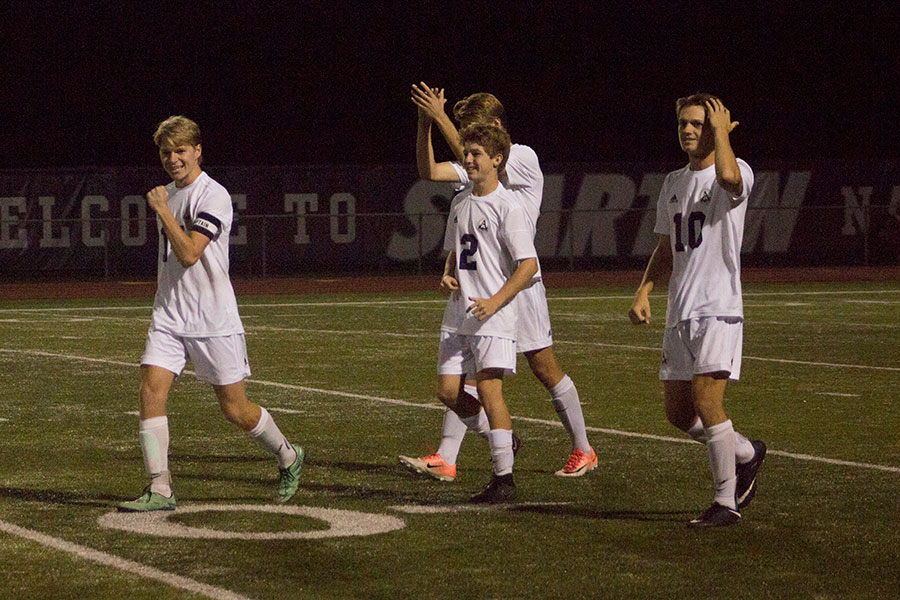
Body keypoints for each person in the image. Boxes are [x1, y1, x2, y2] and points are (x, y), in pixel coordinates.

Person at [399, 84, 596, 480]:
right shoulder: (475, 164)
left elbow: (473, 157)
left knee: (543, 367)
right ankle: (448, 456)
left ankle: (583, 448)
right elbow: (430, 171)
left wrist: (439, 118)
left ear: (494, 128)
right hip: (480, 282)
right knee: (467, 372)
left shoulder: (521, 156)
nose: (469, 145)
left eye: (474, 131)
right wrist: (426, 126)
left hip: (520, 282)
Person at [118, 116, 304, 512]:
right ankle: (160, 488)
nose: (173, 159)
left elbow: (189, 254)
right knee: (150, 390)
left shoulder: (213, 195)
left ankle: (288, 454)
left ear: (198, 150)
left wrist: (163, 210)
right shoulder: (167, 194)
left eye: (180, 150)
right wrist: (164, 206)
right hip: (169, 315)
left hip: (211, 318)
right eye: (166, 152)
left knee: (235, 409)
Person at [628, 94, 766, 528]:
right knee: (678, 413)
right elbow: (666, 246)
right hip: (680, 310)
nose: (688, 130)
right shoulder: (672, 182)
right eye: (683, 123)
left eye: (698, 124)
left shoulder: (735, 169)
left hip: (719, 307)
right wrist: (644, 290)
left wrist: (723, 133)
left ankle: (726, 502)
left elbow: (728, 176)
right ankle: (745, 452)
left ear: (715, 129)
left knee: (708, 400)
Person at [429, 121, 537, 502]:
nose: (469, 160)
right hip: (459, 313)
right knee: (447, 392)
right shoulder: (461, 202)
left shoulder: (509, 205)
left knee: (491, 392)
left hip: (493, 315)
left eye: (476, 155)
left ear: (497, 159)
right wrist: (446, 273)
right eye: (467, 153)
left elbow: (528, 265)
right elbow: (456, 253)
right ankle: (502, 440)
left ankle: (503, 478)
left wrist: (495, 301)